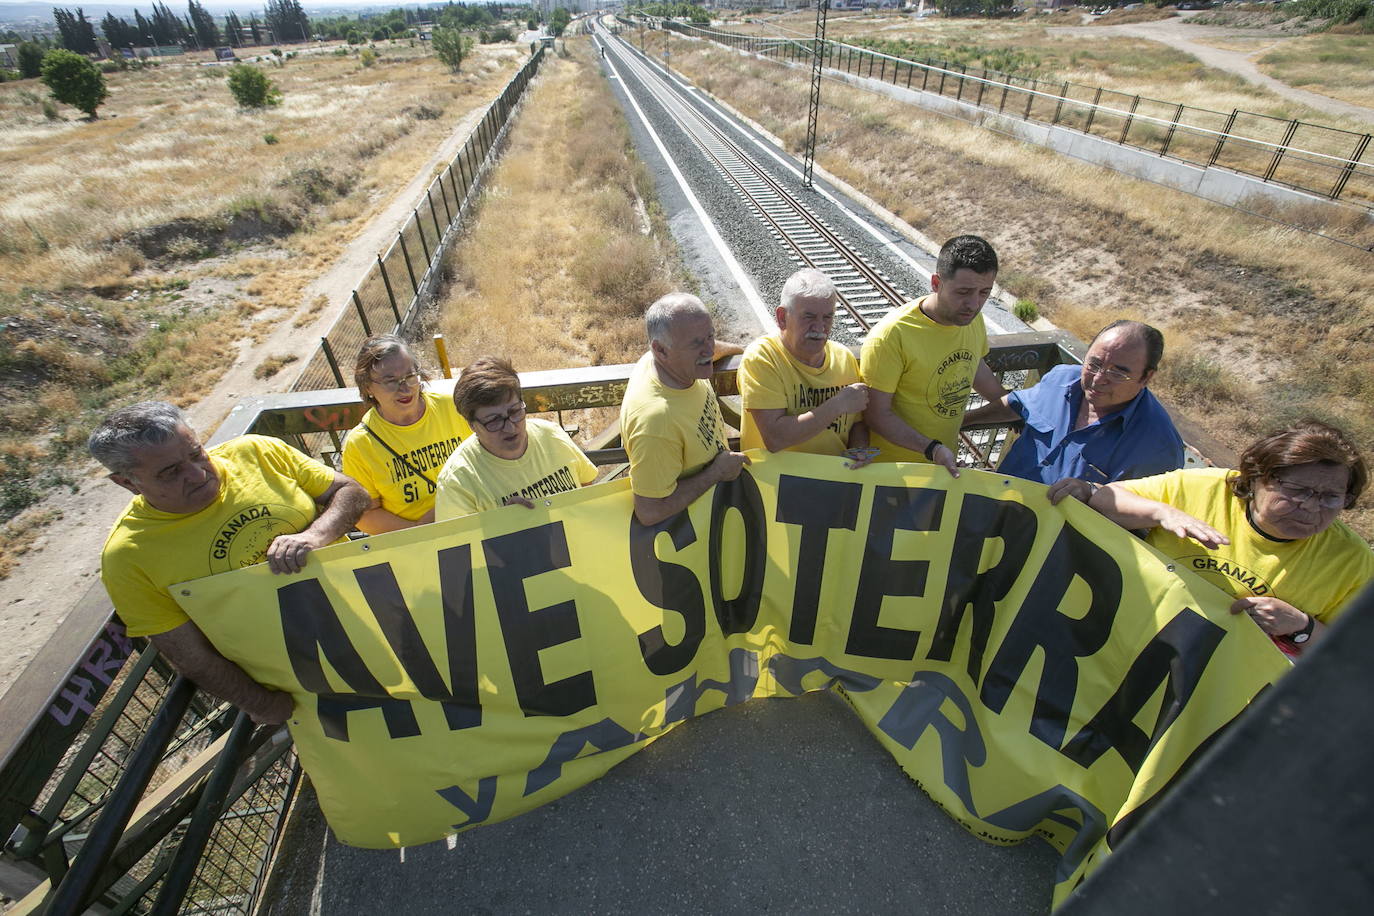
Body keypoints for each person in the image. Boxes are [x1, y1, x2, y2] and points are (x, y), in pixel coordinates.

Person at [93, 401, 369, 723]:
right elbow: (187, 654)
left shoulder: (257, 452)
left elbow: (351, 491)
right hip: (308, 682)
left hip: (375, 617)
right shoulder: (128, 558)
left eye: (196, 453)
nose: (197, 474)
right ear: (126, 482)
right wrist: (259, 703)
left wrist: (317, 535)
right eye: (170, 473)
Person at [1087, 419, 1374, 654]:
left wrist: (1301, 626)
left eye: (1330, 497)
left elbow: (1354, 655)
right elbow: (1103, 498)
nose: (1311, 507)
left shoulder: (1352, 561)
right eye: (1298, 491)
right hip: (1127, 641)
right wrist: (1161, 513)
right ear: (1258, 477)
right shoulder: (1206, 488)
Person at [962, 320, 1185, 502]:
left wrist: (1092, 493)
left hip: (1055, 546)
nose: (1098, 379)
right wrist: (960, 422)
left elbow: (1145, 516)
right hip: (997, 504)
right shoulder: (1061, 379)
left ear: (1146, 377)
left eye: (1118, 373)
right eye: (1094, 364)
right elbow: (1015, 404)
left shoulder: (1159, 446)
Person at [860, 235, 1008, 476]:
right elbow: (876, 415)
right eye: (964, 292)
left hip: (940, 467)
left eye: (984, 292)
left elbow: (973, 365)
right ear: (936, 283)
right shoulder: (891, 336)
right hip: (894, 473)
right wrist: (931, 448)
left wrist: (1015, 406)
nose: (974, 303)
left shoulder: (971, 319)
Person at [619, 293, 748, 526]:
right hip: (690, 535)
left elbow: (709, 347)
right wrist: (716, 473)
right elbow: (649, 511)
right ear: (660, 350)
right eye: (697, 343)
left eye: (711, 335)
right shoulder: (657, 422)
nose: (709, 350)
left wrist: (742, 353)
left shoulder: (665, 362)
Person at [739, 268, 874, 466]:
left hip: (834, 481)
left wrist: (859, 450)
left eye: (827, 317)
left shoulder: (843, 358)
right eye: (809, 317)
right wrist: (838, 404)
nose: (820, 328)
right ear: (782, 317)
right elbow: (776, 438)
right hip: (777, 486)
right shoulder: (762, 357)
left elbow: (857, 423)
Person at [435, 356, 598, 518]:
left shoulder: (551, 434)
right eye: (494, 420)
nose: (510, 427)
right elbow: (457, 543)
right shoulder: (457, 482)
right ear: (472, 425)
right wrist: (504, 527)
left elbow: (588, 487)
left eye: (514, 411)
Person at [341, 335, 471, 535]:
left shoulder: (452, 407)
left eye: (410, 376)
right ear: (368, 388)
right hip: (418, 545)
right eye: (390, 381)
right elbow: (366, 514)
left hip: (473, 519)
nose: (405, 388)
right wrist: (419, 533)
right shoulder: (360, 444)